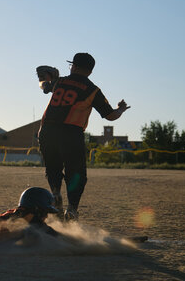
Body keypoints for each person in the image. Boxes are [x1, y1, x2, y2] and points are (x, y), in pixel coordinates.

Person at [36, 53, 130, 221]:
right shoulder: (92, 90)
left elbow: (44, 87)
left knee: (53, 168)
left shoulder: (60, 81)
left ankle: (56, 194)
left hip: (47, 131)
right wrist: (121, 109)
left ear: (74, 66)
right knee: (76, 174)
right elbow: (110, 116)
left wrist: (44, 78)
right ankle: (71, 209)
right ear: (90, 71)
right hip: (71, 133)